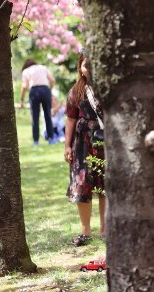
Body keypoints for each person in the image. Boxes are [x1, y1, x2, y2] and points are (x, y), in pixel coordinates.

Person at [64, 52, 105, 247]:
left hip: (105, 140)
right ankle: (86, 230)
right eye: (85, 65)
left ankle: (106, 229)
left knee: (106, 185)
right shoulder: (76, 91)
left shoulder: (107, 88)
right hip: (82, 142)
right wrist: (67, 146)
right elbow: (70, 119)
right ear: (80, 67)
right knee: (82, 183)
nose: (89, 69)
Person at [20, 58, 57, 146]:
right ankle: (51, 139)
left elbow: (25, 86)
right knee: (48, 115)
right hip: (45, 90)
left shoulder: (26, 71)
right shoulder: (43, 67)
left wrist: (21, 99)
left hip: (34, 91)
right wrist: (49, 89)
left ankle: (36, 141)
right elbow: (52, 80)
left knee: (35, 117)